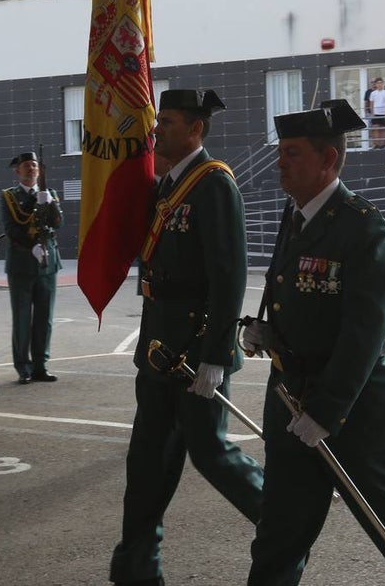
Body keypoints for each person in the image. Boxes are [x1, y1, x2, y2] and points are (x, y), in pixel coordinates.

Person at [243, 100, 385, 586]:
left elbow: (363, 334)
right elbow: (296, 297)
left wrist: (324, 412)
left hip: (352, 411)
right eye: (280, 151)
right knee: (279, 533)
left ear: (329, 160)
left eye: (294, 153)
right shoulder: (294, 214)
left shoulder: (362, 226)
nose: (280, 163)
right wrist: (265, 331)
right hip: (290, 401)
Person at [109, 89, 264, 586]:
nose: (158, 130)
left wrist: (217, 354)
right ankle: (136, 565)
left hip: (195, 351)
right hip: (157, 347)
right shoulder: (165, 186)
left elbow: (229, 274)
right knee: (147, 461)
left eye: (169, 122)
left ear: (196, 129)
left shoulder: (213, 184)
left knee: (210, 452)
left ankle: (284, 521)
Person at [1, 151, 63, 384]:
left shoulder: (49, 193)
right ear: (17, 171)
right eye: (26, 165)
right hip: (21, 263)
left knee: (44, 318)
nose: (31, 169)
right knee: (22, 318)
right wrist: (31, 247)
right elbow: (12, 229)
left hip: (48, 264)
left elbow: (58, 224)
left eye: (34, 165)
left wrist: (49, 203)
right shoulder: (9, 196)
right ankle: (23, 367)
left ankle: (40, 365)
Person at [365, 77, 385, 148]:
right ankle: (376, 144)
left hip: (383, 113)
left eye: (380, 83)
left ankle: (382, 144)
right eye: (378, 83)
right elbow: (371, 104)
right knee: (375, 128)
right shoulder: (373, 93)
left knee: (383, 129)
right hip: (376, 113)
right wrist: (372, 113)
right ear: (376, 84)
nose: (379, 85)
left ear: (382, 84)